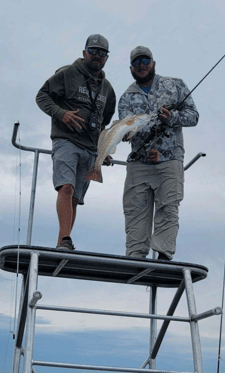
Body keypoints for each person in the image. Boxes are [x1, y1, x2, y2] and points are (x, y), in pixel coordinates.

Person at [118, 46, 199, 260]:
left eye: (145, 61)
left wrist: (171, 117)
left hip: (170, 159)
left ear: (153, 63)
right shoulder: (126, 98)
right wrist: (125, 134)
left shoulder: (175, 84)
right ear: (131, 68)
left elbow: (193, 116)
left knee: (168, 208)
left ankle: (163, 255)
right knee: (135, 214)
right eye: (136, 63)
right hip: (139, 163)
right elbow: (126, 130)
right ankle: (135, 259)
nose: (141, 65)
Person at [36, 34, 116, 250]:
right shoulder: (68, 73)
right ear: (84, 53)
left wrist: (104, 150)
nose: (97, 56)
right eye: (93, 51)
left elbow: (103, 123)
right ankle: (64, 240)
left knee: (75, 198)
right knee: (66, 188)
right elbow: (42, 96)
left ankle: (64, 241)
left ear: (107, 58)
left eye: (102, 53)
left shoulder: (107, 89)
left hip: (90, 149)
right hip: (66, 141)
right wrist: (61, 114)